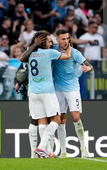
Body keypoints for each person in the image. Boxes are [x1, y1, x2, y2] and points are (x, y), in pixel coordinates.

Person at [19, 30, 71, 158]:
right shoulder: (49, 53)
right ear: (43, 42)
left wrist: (34, 45)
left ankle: (47, 152)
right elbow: (67, 56)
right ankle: (42, 147)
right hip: (46, 91)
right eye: (49, 41)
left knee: (42, 121)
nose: (51, 43)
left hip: (33, 92)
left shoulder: (30, 53)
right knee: (57, 119)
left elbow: (22, 58)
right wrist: (68, 44)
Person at [51, 29, 93, 158]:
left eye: (68, 38)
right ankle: (63, 152)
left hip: (72, 88)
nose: (66, 41)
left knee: (75, 118)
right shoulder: (53, 51)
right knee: (61, 119)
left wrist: (88, 68)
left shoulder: (75, 53)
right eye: (63, 39)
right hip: (57, 88)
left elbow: (88, 65)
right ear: (57, 39)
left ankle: (84, 149)